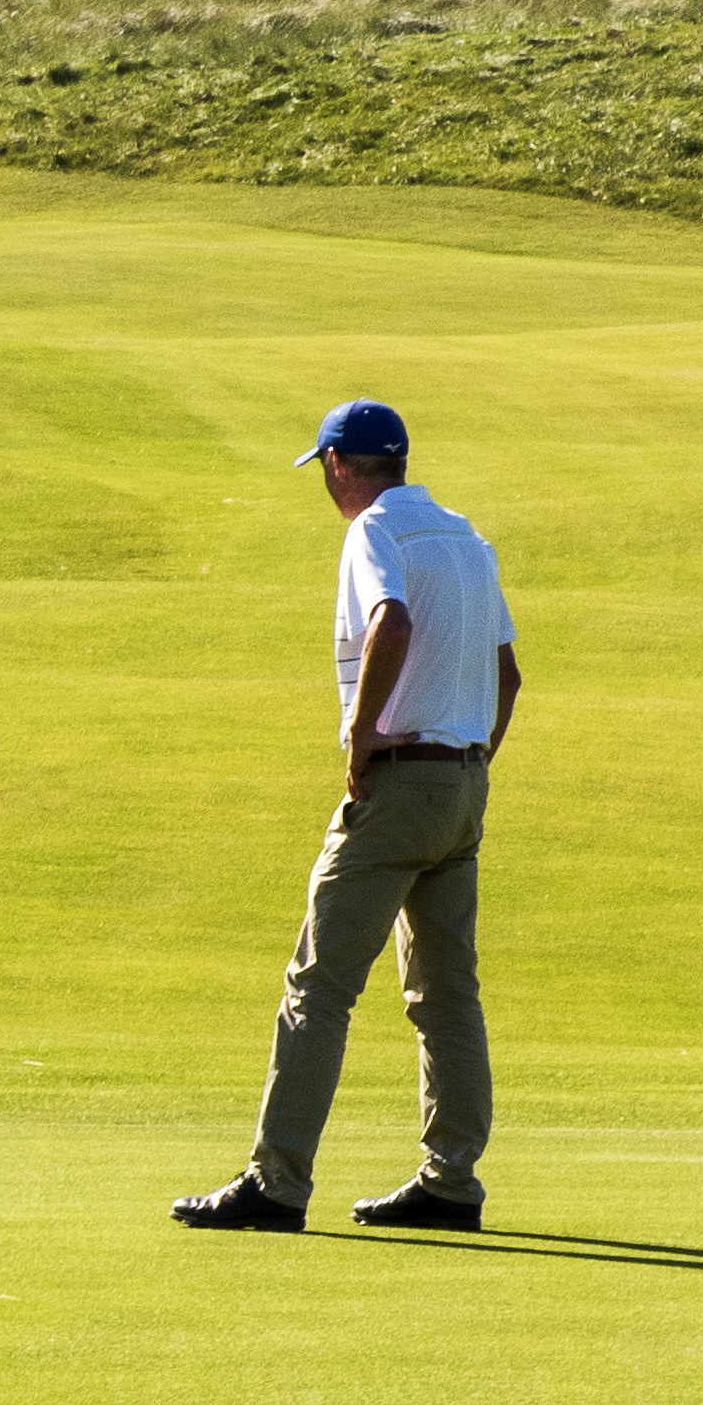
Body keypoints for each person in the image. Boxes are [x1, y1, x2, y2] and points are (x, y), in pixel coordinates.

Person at [180, 398, 521, 1235]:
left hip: (401, 780)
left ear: (339, 464)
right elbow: (507, 676)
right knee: (447, 994)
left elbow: (390, 622)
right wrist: (467, 767)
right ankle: (451, 1181)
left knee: (319, 985)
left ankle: (277, 1182)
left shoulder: (375, 532)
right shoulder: (466, 535)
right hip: (466, 782)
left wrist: (365, 739)